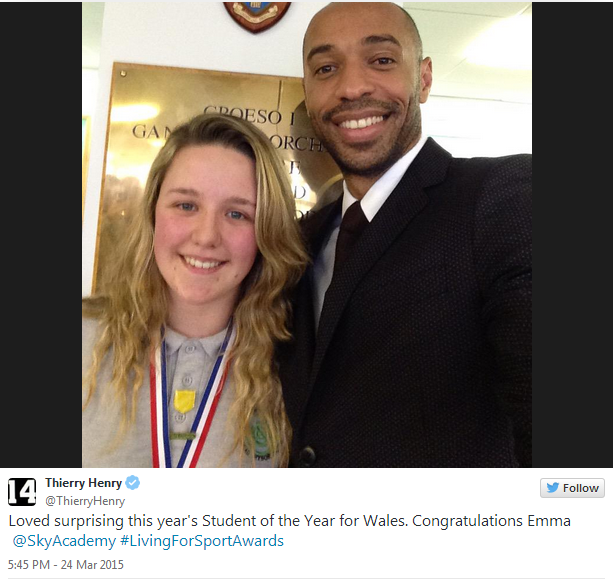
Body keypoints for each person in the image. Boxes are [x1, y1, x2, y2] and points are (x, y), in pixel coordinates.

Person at [277, 2, 532, 467]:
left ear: (424, 79)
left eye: (381, 60)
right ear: (308, 92)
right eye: (326, 68)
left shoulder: (501, 197)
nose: (352, 87)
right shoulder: (300, 240)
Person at [83, 113, 308, 468]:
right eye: (186, 206)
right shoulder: (84, 339)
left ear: (266, 231)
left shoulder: (293, 369)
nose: (206, 236)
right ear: (152, 212)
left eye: (237, 214)